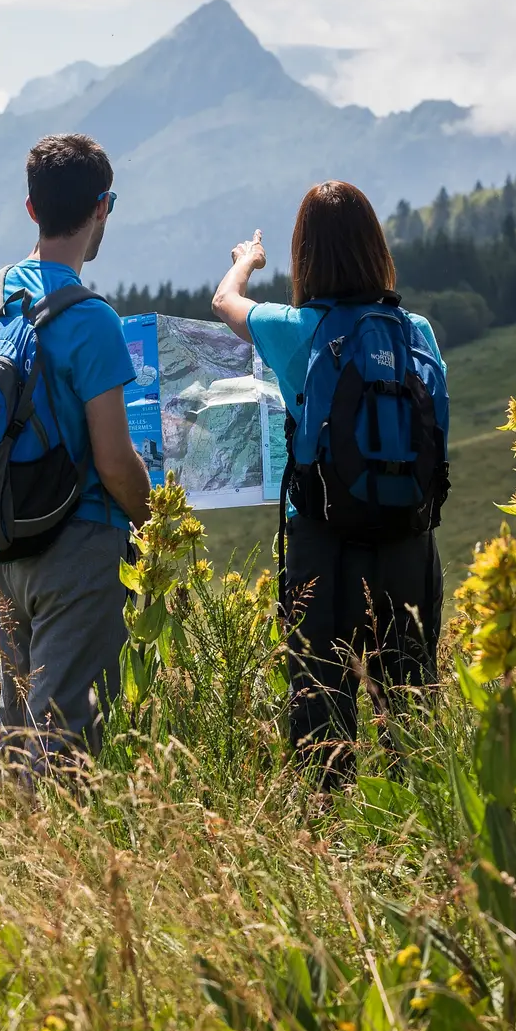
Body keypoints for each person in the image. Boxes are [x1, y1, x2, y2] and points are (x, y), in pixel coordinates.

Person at [207, 180, 447, 787]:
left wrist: (246, 262)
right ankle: (417, 844)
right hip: (408, 540)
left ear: (306, 255)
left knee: (321, 712)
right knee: (412, 713)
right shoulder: (418, 333)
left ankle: (329, 850)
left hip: (322, 540)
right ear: (375, 247)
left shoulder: (298, 328)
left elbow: (223, 302)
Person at [0, 133, 152, 785]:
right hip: (80, 545)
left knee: (17, 725)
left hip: (8, 539)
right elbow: (113, 461)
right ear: (103, 206)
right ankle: (55, 873)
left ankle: (2, 861)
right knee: (66, 734)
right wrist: (157, 520)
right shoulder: (93, 321)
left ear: (31, 209)